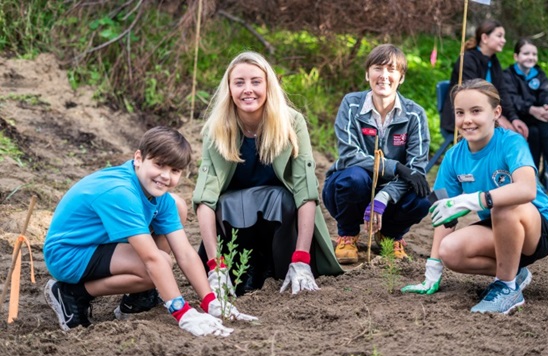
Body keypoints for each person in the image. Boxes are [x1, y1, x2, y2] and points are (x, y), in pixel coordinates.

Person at [43, 127, 254, 337]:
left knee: (176, 207)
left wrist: (211, 302)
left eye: (174, 171)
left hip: (100, 243)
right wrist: (183, 313)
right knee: (156, 265)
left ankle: (139, 296)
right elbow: (152, 259)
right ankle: (71, 293)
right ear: (138, 158)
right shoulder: (121, 192)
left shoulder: (158, 194)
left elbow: (186, 253)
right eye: (159, 165)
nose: (165, 176)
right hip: (68, 254)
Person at [402, 79, 548, 314]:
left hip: (537, 227)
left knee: (504, 204)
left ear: (496, 112)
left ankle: (507, 289)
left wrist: (472, 200)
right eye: (460, 112)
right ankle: (515, 273)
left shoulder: (512, 142)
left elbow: (526, 190)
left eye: (476, 111)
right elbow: (442, 211)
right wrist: (433, 268)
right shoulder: (452, 157)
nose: (467, 119)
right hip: (498, 226)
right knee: (451, 251)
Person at [193, 51, 343, 298]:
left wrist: (302, 258)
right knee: (226, 203)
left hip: (281, 226)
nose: (247, 89)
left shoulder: (292, 122)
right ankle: (241, 270)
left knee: (279, 198)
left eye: (256, 81)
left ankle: (282, 267)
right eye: (239, 82)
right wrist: (214, 265)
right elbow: (205, 200)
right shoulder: (216, 128)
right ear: (229, 89)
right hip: (234, 227)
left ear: (268, 85)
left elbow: (306, 193)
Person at [322, 44, 431, 264]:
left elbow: (416, 171)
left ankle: (390, 236)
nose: (384, 76)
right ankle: (348, 235)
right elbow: (349, 155)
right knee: (353, 177)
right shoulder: (351, 105)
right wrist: (396, 167)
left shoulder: (415, 115)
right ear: (367, 73)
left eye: (392, 69)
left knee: (422, 197)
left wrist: (382, 197)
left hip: (391, 196)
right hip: (350, 188)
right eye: (377, 68)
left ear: (401, 78)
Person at [503, 38, 548, 188]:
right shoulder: (508, 75)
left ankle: (534, 174)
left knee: (538, 128)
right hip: (516, 118)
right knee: (537, 125)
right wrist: (531, 109)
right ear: (516, 56)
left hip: (536, 119)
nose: (531, 57)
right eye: (526, 53)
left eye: (534, 54)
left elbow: (547, 92)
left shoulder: (538, 73)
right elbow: (511, 99)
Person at [440, 19, 529, 139]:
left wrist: (513, 118)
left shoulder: (494, 61)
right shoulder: (468, 59)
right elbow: (472, 95)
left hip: (485, 114)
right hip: (464, 117)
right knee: (505, 136)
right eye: (499, 36)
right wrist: (496, 118)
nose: (504, 40)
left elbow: (502, 93)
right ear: (485, 38)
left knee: (516, 133)